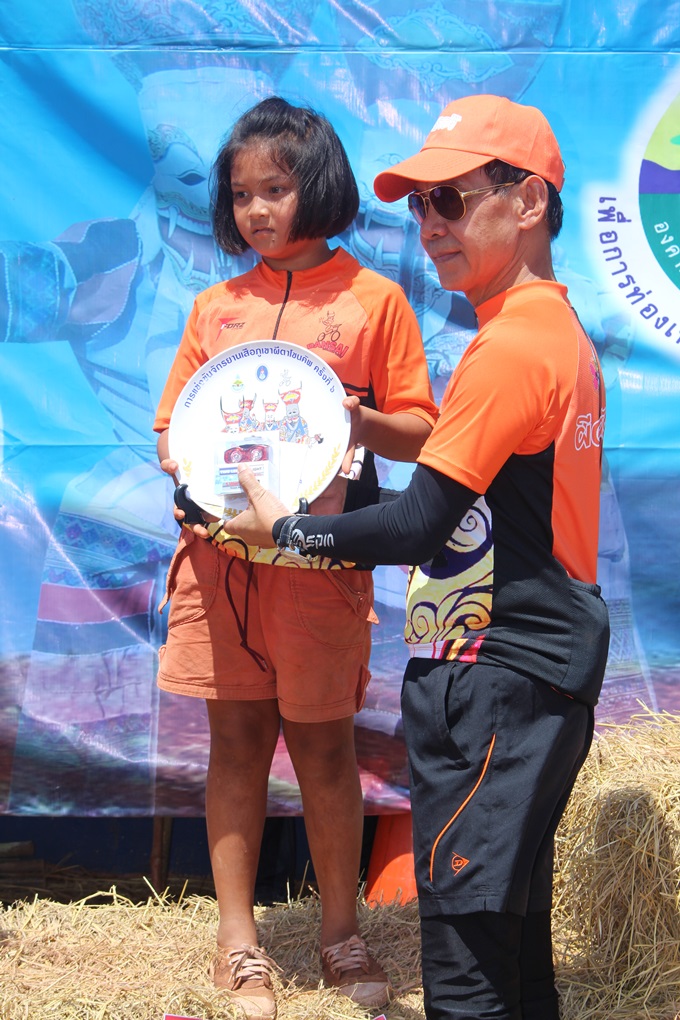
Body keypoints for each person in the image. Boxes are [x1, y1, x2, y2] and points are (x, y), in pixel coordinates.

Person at [227, 93, 611, 1020]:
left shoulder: (513, 346)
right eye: (419, 206)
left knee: (469, 963)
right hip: (528, 668)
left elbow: (417, 526)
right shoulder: (548, 333)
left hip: (497, 675)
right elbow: (464, 503)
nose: (429, 225)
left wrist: (289, 531)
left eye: (450, 200)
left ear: (528, 202)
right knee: (510, 944)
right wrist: (353, 438)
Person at [153, 96, 438, 1020]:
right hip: (218, 570)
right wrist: (186, 461)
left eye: (274, 189)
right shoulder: (215, 307)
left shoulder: (373, 301)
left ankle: (340, 934)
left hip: (320, 574)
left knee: (323, 750)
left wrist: (355, 420)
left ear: (319, 186)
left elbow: (419, 429)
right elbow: (170, 430)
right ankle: (238, 945)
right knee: (235, 747)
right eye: (241, 195)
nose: (256, 211)